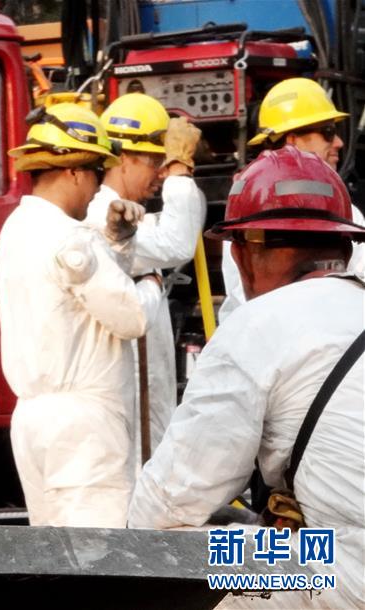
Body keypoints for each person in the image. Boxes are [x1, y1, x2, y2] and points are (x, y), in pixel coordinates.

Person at [128, 146, 364, 609]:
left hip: (348, 574)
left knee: (182, 555)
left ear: (241, 253)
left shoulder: (256, 327)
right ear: (344, 245)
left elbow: (162, 511)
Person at [0, 102, 163, 527]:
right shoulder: (69, 238)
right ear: (73, 171)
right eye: (96, 173)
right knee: (99, 555)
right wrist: (152, 284)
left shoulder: (16, 229)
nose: (97, 188)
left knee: (55, 556)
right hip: (85, 431)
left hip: (34, 423)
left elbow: (82, 298)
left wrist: (117, 242)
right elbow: (130, 317)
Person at [85, 93, 207, 453]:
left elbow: (186, 221)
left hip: (145, 402)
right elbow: (178, 243)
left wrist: (181, 177)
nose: (161, 172)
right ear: (124, 158)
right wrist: (180, 169)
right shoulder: (102, 217)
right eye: (155, 161)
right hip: (127, 404)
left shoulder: (131, 215)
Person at [220, 77, 364, 321]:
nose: (339, 143)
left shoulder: (245, 211)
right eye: (328, 132)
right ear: (292, 141)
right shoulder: (250, 212)